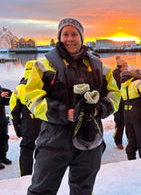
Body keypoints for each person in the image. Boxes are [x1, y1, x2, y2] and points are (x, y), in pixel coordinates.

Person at [25, 18, 120, 195]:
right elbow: (32, 97)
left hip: (89, 139)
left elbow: (115, 94)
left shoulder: (99, 66)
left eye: (74, 34)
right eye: (65, 34)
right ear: (59, 37)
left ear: (81, 37)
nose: (70, 38)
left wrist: (100, 109)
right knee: (41, 190)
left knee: (83, 189)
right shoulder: (43, 65)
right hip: (54, 139)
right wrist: (64, 113)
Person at [9, 60, 42, 176]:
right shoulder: (44, 85)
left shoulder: (19, 88)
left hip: (28, 123)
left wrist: (17, 126)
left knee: (27, 148)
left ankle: (25, 175)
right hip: (44, 121)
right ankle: (42, 173)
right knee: (44, 148)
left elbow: (14, 109)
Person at [120, 65, 141, 160]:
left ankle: (131, 156)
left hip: (127, 112)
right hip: (139, 111)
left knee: (131, 136)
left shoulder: (123, 85)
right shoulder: (138, 83)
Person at [112, 55, 128, 149]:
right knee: (120, 121)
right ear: (120, 67)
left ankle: (124, 139)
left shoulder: (125, 74)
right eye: (125, 66)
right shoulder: (115, 75)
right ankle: (118, 140)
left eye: (127, 66)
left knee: (125, 121)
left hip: (125, 101)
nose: (126, 67)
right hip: (117, 101)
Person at [0, 86, 12, 170]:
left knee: (4, 137)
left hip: (2, 118)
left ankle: (3, 157)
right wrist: (0, 96)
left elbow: (5, 102)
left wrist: (8, 96)